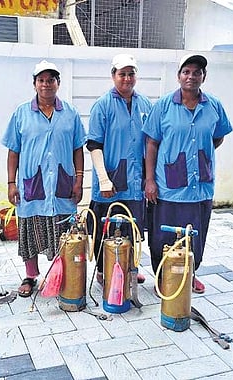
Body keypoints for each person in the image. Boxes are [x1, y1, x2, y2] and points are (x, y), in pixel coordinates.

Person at [143, 54, 233, 294]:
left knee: (196, 235)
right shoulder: (163, 106)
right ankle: (163, 276)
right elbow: (151, 143)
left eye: (197, 72)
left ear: (204, 76)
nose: (191, 76)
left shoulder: (213, 105)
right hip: (168, 186)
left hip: (199, 186)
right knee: (163, 236)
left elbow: (219, 135)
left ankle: (190, 274)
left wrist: (200, 155)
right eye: (186, 71)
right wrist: (150, 180)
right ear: (179, 75)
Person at [2, 60, 86, 297]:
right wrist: (11, 183)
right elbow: (13, 150)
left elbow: (78, 149)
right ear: (34, 84)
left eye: (51, 80)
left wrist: (79, 180)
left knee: (63, 232)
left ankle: (61, 274)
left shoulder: (70, 113)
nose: (46, 84)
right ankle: (30, 276)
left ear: (58, 83)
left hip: (62, 184)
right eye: (41, 80)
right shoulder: (21, 113)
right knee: (30, 231)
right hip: (32, 184)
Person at [87, 54, 152, 286]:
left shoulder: (145, 104)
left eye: (131, 73)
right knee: (106, 229)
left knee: (133, 228)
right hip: (111, 180)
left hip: (136, 181)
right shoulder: (102, 105)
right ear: (113, 75)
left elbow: (152, 142)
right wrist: (103, 179)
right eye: (122, 73)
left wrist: (149, 177)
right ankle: (104, 271)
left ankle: (130, 267)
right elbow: (94, 145)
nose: (127, 78)